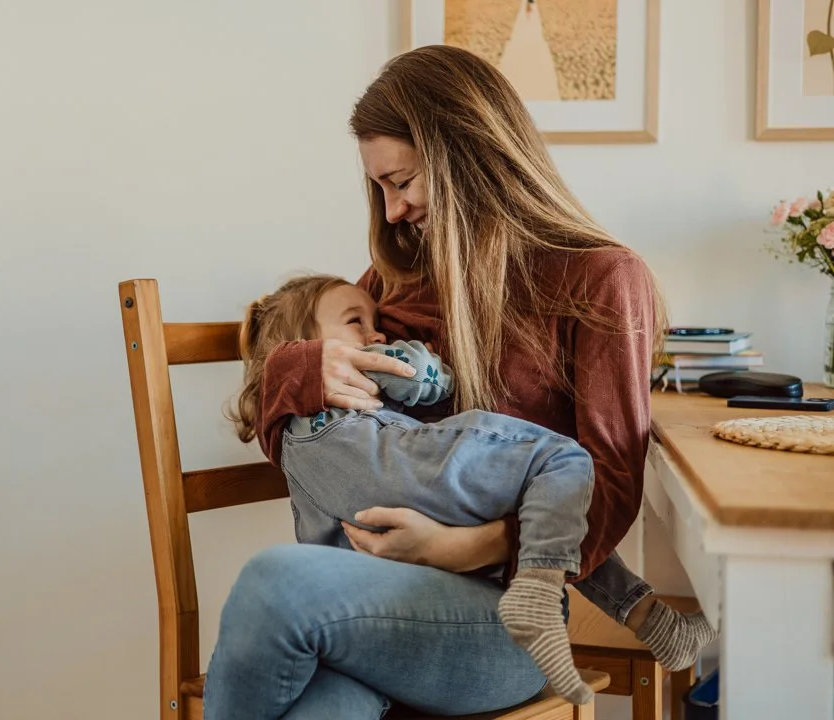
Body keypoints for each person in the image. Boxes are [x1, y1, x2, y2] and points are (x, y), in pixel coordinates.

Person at [203, 45, 713, 719]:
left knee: (276, 585)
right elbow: (312, 446)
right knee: (319, 704)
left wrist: (471, 545)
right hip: (376, 600)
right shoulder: (395, 279)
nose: (390, 213)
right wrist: (297, 369)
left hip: (502, 617)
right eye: (379, 188)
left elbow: (611, 487)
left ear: (467, 156)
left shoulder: (601, 280)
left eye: (403, 181)